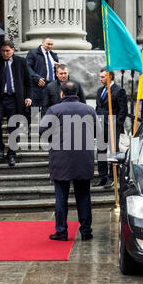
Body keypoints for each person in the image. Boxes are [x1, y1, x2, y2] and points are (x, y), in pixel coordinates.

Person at [39, 81, 101, 241]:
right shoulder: (89, 109)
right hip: (83, 157)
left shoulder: (54, 110)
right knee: (84, 196)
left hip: (61, 158)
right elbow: (98, 133)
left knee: (61, 197)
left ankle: (61, 231)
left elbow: (42, 132)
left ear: (61, 93)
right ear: (78, 92)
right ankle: (86, 231)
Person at [0, 40, 32, 166]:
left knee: (14, 127)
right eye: (3, 51)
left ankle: (12, 153)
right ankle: (0, 147)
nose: (5, 53)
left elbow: (28, 81)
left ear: (13, 50)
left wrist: (28, 96)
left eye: (7, 51)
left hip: (15, 99)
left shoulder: (21, 62)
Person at [93, 68, 128, 188]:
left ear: (110, 77)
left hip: (113, 125)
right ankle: (102, 176)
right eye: (100, 76)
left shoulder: (119, 91)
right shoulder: (100, 91)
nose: (100, 79)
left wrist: (118, 124)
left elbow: (123, 110)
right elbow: (98, 107)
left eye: (103, 77)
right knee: (101, 151)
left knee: (113, 152)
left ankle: (112, 177)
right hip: (101, 125)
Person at [26, 36, 59, 108]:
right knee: (36, 110)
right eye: (48, 44)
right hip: (38, 86)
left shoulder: (53, 55)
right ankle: (36, 120)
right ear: (42, 43)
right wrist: (37, 78)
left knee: (50, 107)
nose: (50, 46)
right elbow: (27, 67)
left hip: (51, 85)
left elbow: (56, 71)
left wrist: (58, 68)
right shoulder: (33, 53)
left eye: (51, 44)